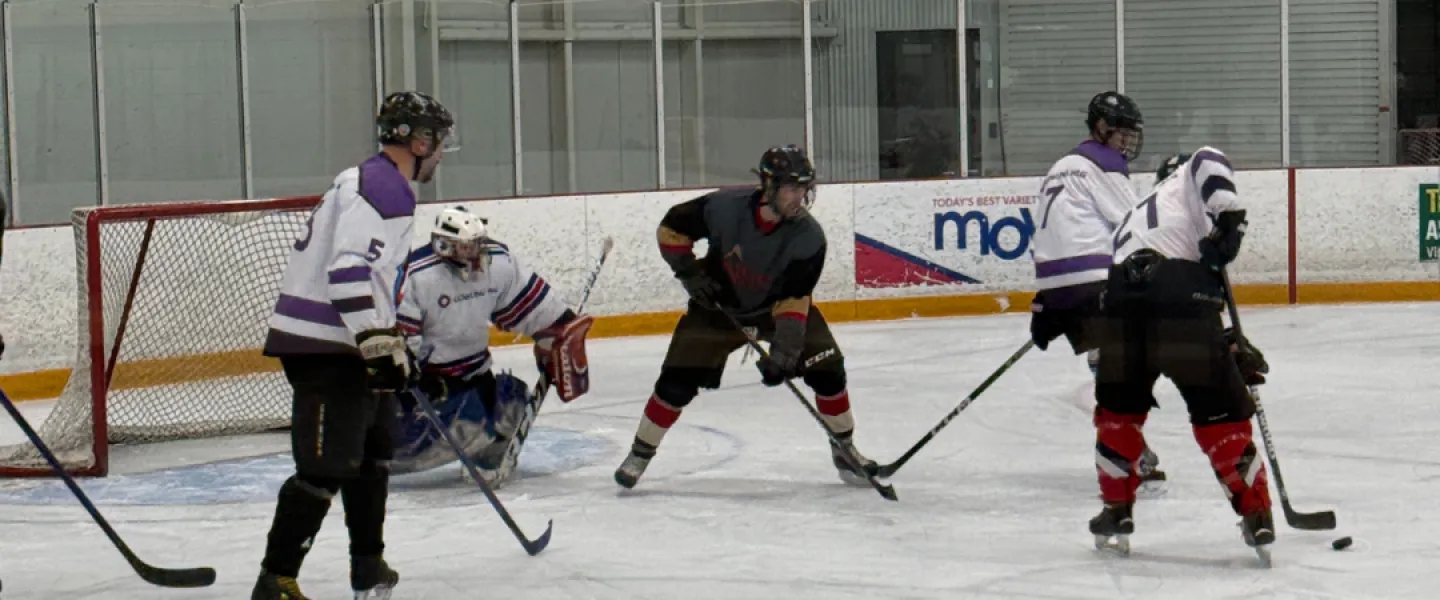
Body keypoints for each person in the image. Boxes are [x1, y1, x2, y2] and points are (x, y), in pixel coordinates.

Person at [253, 91, 454, 600]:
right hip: (328, 346)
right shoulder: (384, 187)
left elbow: (372, 280)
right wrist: (376, 343)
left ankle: (369, 566)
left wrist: (392, 345)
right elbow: (346, 276)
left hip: (346, 340)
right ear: (419, 139)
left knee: (372, 456)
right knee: (327, 466)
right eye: (438, 141)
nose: (441, 152)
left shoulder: (371, 179)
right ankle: (276, 580)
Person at [613, 145, 878, 490]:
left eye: (804, 189)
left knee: (827, 369)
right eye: (792, 189)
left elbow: (795, 300)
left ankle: (845, 450)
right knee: (675, 382)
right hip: (717, 308)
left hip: (774, 310)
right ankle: (640, 453)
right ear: (769, 187)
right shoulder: (724, 207)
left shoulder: (809, 237)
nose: (800, 198)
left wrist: (784, 352)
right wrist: (689, 273)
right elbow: (671, 230)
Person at [1089, 148, 1273, 556]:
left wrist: (1227, 344)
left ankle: (1116, 508)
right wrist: (1227, 216)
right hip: (1181, 300)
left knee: (1117, 414)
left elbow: (1154, 295)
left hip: (1119, 306)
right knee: (1220, 415)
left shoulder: (1136, 215)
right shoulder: (1187, 179)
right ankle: (1255, 512)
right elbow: (1209, 157)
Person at [389, 206, 593, 486]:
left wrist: (556, 332)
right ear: (444, 245)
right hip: (430, 384)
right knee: (446, 430)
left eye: (478, 243)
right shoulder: (416, 276)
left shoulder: (497, 262)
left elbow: (532, 306)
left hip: (475, 372)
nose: (476, 253)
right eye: (466, 246)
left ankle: (486, 456)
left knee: (512, 405)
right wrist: (417, 379)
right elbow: (400, 343)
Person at [1028, 90, 1166, 489]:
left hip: (1054, 282)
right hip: (1093, 277)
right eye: (1121, 132)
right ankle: (1125, 454)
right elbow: (1135, 225)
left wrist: (1049, 298)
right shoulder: (1103, 162)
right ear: (1101, 127)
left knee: (1106, 360)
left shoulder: (1061, 165)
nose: (1127, 141)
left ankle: (1128, 448)